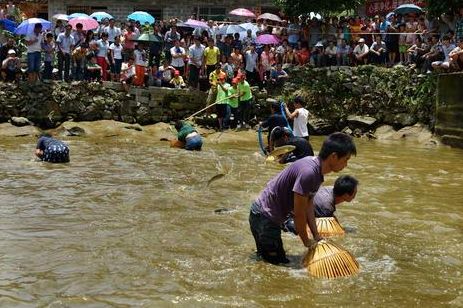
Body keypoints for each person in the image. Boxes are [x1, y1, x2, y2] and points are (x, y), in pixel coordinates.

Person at [249, 132, 357, 264]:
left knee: (267, 261)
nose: (346, 165)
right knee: (278, 264)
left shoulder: (316, 170)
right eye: (346, 159)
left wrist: (316, 236)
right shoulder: (309, 173)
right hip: (265, 217)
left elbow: (309, 204)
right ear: (334, 157)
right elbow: (299, 213)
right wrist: (306, 241)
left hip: (264, 215)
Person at [282, 175, 359, 234]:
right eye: (355, 192)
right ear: (346, 195)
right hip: (289, 220)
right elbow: (326, 228)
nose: (356, 193)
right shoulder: (326, 206)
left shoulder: (331, 189)